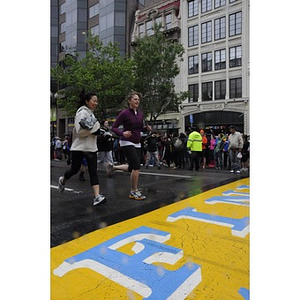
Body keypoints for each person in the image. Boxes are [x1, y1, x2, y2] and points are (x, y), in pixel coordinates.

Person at [57, 91, 107, 206]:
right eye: (94, 101)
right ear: (87, 101)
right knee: (74, 169)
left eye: (96, 101)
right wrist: (95, 131)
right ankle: (62, 180)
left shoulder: (91, 114)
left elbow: (92, 130)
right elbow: (80, 131)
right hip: (79, 147)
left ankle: (97, 197)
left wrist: (100, 133)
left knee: (93, 171)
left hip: (91, 148)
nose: (96, 103)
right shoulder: (81, 113)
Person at [111, 91, 151, 200]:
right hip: (126, 141)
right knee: (136, 166)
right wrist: (122, 133)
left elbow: (138, 128)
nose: (137, 101)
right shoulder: (124, 113)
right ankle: (133, 191)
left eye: (138, 99)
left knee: (132, 167)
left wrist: (146, 129)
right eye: (135, 99)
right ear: (129, 101)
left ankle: (113, 167)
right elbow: (114, 127)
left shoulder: (140, 113)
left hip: (137, 142)